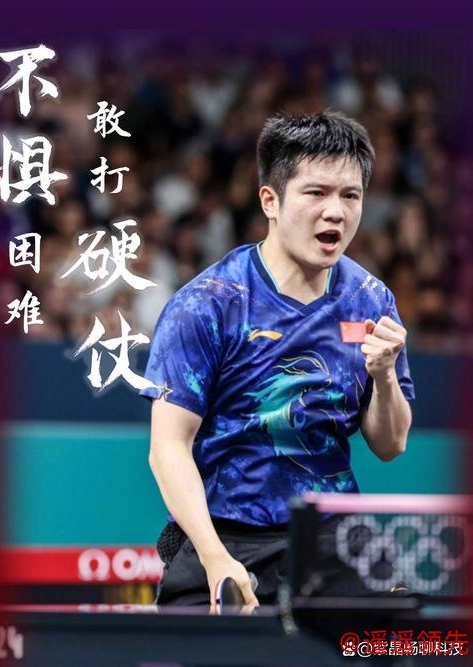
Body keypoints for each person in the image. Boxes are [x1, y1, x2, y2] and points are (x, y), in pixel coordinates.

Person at [139, 111, 415, 611]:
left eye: (350, 196)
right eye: (316, 193)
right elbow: (168, 447)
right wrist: (215, 558)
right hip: (224, 534)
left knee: (401, 639)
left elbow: (391, 444)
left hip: (329, 536)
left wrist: (384, 376)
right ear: (270, 200)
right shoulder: (209, 303)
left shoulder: (371, 301)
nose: (336, 212)